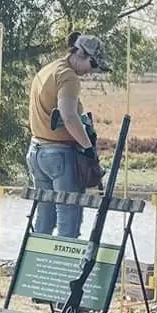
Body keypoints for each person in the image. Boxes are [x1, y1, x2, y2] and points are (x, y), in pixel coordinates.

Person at [26, 32, 109, 238]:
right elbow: (69, 116)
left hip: (36, 151)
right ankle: (66, 269)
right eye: (93, 64)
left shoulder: (48, 70)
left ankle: (37, 267)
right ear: (81, 55)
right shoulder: (69, 77)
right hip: (60, 155)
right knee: (68, 218)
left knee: (44, 219)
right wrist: (88, 148)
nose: (92, 71)